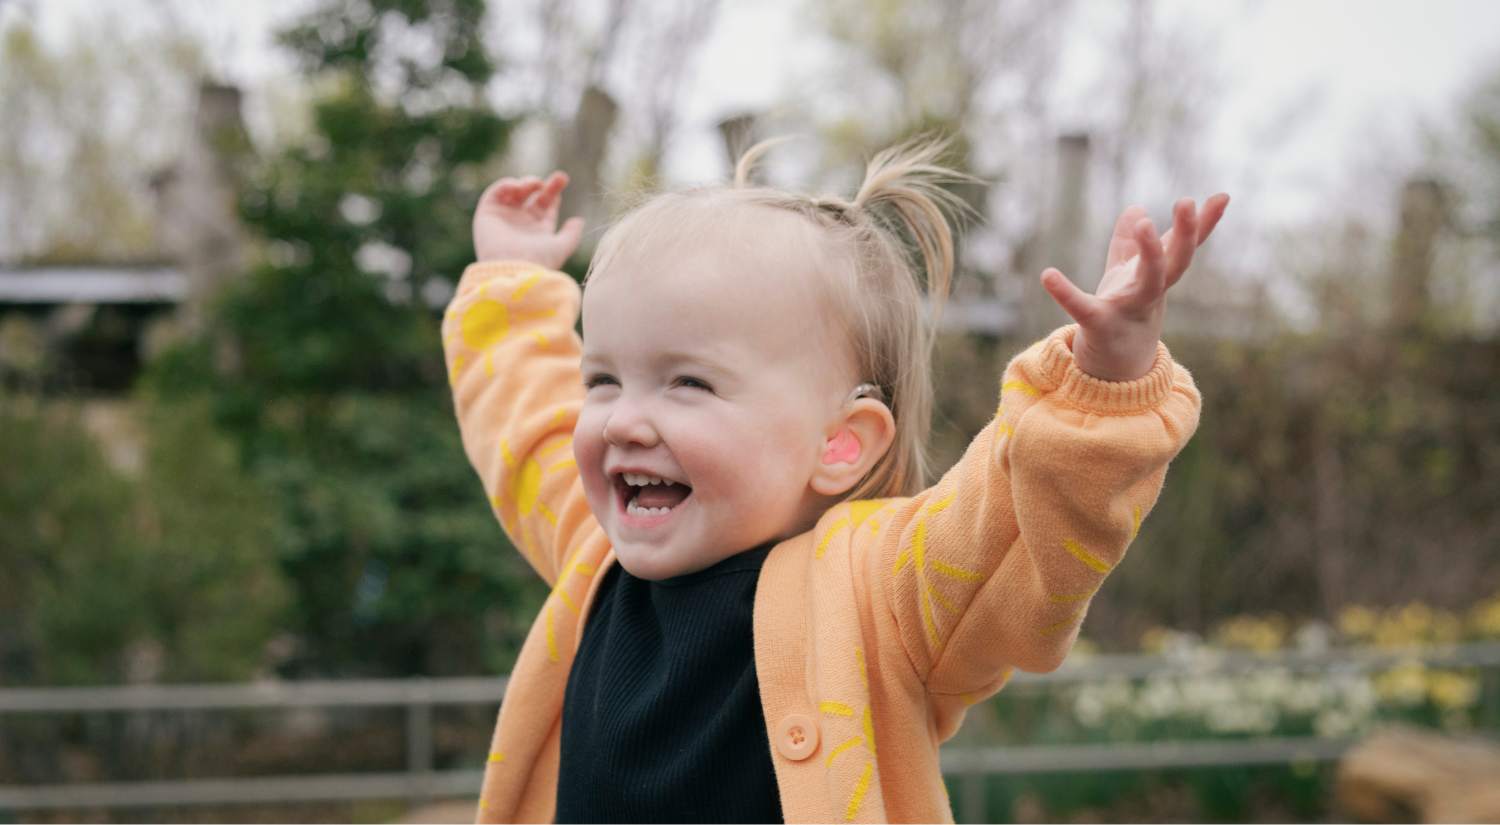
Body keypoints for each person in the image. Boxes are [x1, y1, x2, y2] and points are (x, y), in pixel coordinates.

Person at [444, 135, 1228, 823]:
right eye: (605, 379)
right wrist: (510, 285)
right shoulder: (595, 553)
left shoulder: (881, 593)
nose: (622, 421)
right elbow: (528, 423)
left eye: (688, 383)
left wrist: (1101, 381)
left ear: (841, 446)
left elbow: (1012, 523)